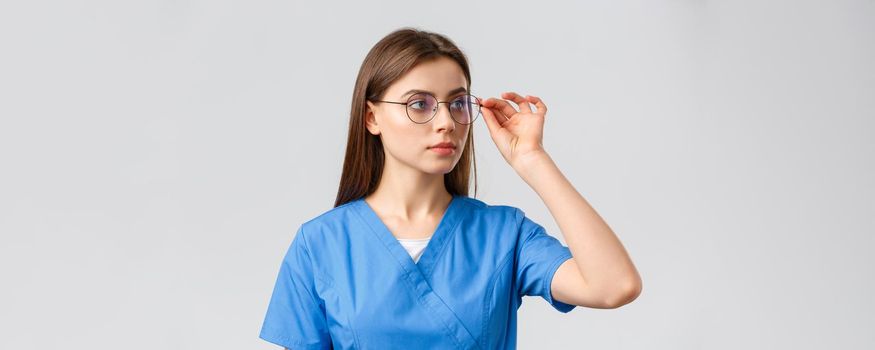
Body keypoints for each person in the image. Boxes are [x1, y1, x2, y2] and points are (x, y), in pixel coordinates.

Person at [258, 27, 642, 350]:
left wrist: (532, 160)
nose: (446, 121)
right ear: (372, 117)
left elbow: (614, 286)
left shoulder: (504, 235)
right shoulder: (320, 243)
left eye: (457, 103)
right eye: (419, 104)